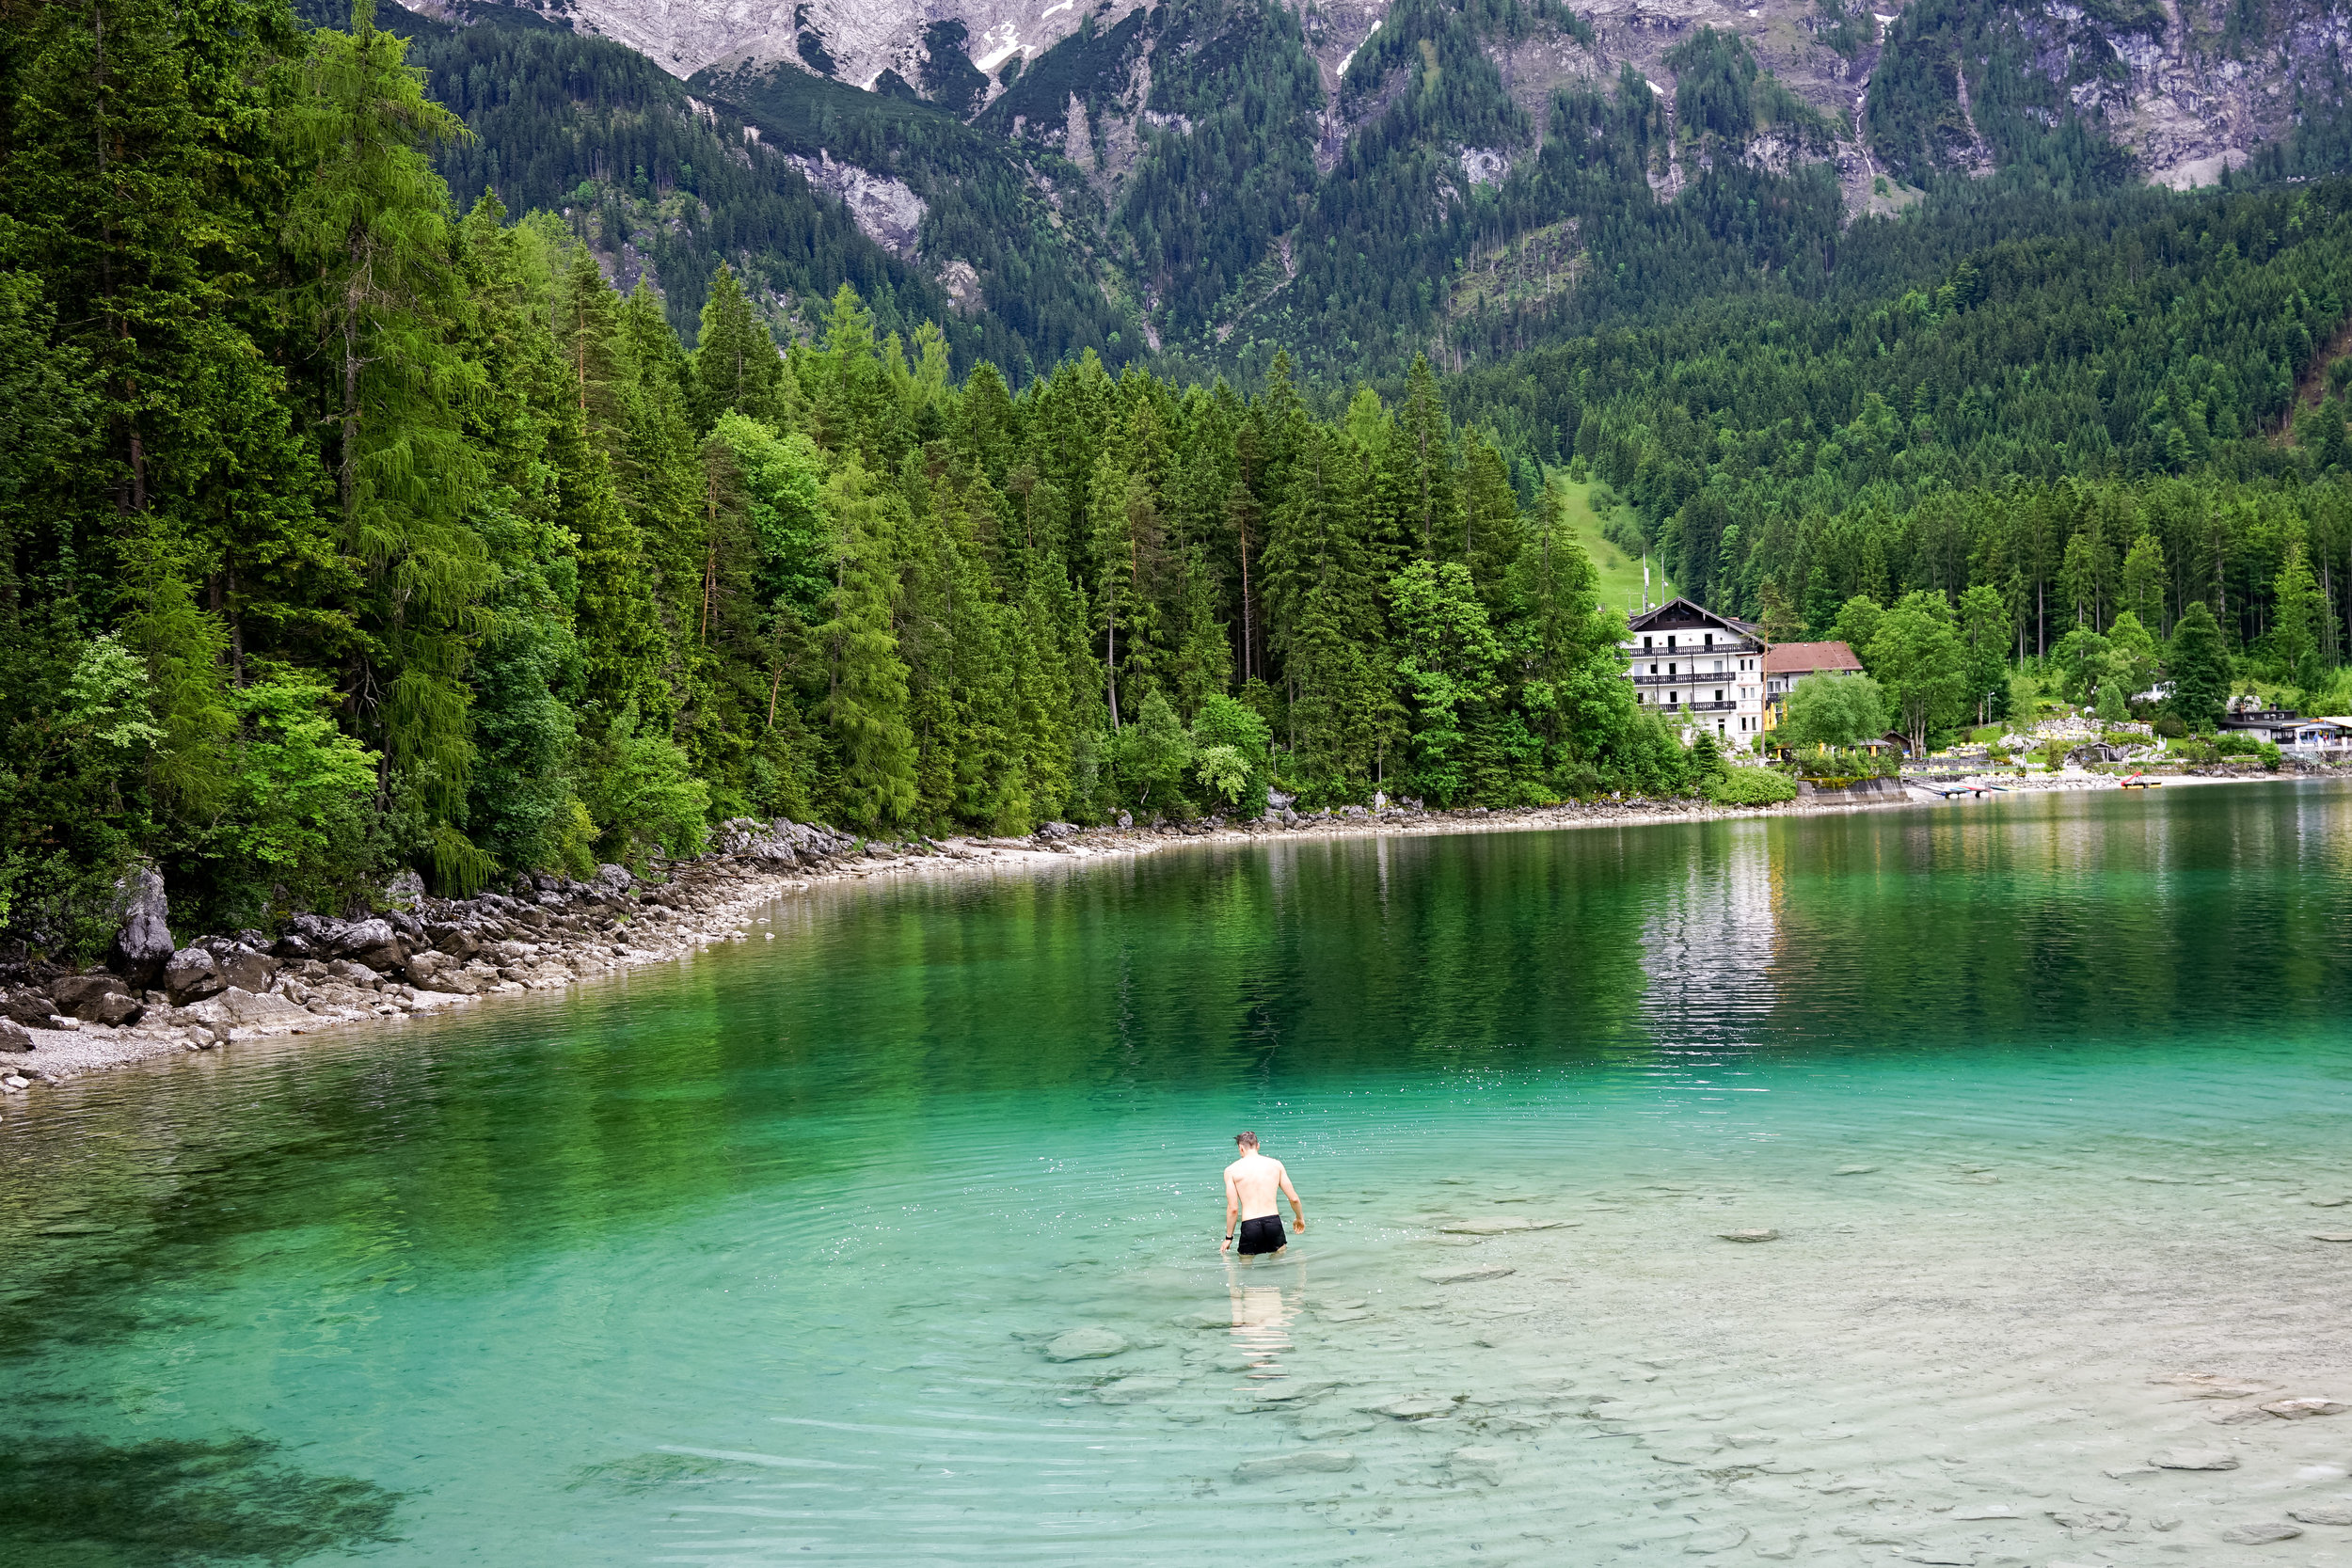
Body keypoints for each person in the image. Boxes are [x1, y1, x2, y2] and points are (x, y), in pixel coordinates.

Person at [1220, 1131, 1305, 1259]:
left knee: (1245, 1269)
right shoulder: (1276, 1165)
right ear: (1258, 1146)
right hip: (1273, 1223)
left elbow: (1233, 1208)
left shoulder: (1231, 1170)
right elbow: (1294, 1199)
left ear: (1240, 1148)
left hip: (1250, 1226)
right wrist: (1299, 1218)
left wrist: (1228, 1238)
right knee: (1279, 1264)